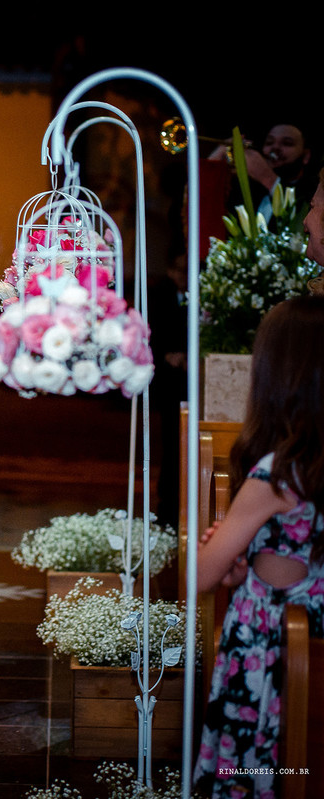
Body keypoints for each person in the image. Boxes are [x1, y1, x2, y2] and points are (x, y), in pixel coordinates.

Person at [193, 295, 324, 798]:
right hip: (313, 631)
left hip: (269, 649)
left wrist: (220, 556)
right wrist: (248, 564)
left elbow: (199, 577)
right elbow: (297, 559)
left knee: (257, 772)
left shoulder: (276, 475)